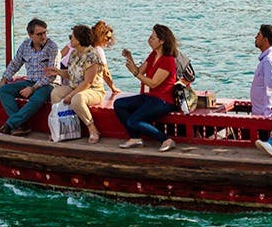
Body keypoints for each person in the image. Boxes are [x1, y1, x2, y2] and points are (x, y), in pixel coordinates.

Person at [113, 24, 180, 152]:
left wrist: (136, 73)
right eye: (150, 37)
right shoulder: (153, 55)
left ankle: (166, 139)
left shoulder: (168, 60)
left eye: (153, 38)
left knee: (133, 121)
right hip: (150, 97)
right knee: (119, 104)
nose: (149, 39)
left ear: (162, 41)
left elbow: (153, 83)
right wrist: (130, 58)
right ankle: (135, 138)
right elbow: (139, 71)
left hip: (163, 100)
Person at [0, 18, 59, 135]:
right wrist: (3, 80)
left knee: (37, 98)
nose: (43, 36)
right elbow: (15, 64)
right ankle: (21, 125)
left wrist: (33, 88)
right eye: (39, 34)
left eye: (45, 32)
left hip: (47, 85)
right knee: (3, 90)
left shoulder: (52, 47)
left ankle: (10, 125)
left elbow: (51, 76)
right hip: (29, 81)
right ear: (30, 35)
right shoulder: (25, 45)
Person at [48, 24, 107, 143]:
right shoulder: (74, 53)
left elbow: (88, 82)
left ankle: (92, 129)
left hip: (94, 90)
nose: (70, 39)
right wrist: (58, 72)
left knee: (77, 99)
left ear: (79, 40)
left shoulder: (92, 56)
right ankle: (60, 128)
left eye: (72, 37)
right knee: (55, 93)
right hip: (74, 86)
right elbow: (71, 74)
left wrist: (71, 95)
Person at [249, 24, 272, 118]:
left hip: (266, 115)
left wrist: (267, 115)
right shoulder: (269, 58)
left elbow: (270, 88)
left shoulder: (270, 60)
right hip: (261, 113)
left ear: (265, 40)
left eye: (258, 35)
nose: (255, 37)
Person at [91, 20, 119, 95]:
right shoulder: (98, 50)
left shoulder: (87, 48)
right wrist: (113, 88)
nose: (109, 41)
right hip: (93, 88)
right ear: (100, 36)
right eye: (108, 37)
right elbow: (105, 73)